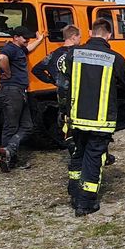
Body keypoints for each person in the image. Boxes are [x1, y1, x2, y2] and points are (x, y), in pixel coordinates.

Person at [63, 18, 125, 216]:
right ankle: (85, 202)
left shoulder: (73, 54)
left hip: (77, 117)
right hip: (101, 120)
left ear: (90, 32)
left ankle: (74, 192)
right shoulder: (115, 58)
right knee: (94, 158)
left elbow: (61, 71)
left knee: (78, 154)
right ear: (109, 35)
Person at [0, 24, 44, 172]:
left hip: (20, 91)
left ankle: (10, 150)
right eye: (25, 38)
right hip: (12, 91)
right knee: (11, 126)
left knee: (27, 126)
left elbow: (28, 49)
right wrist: (7, 72)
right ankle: (8, 159)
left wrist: (40, 39)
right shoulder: (10, 48)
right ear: (16, 38)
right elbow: (1, 57)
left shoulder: (18, 49)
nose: (27, 40)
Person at [32, 24, 82, 157]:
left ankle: (71, 145)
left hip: (62, 94)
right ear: (73, 37)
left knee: (66, 122)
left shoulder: (54, 55)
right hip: (81, 92)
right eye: (79, 37)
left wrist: (52, 80)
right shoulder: (81, 53)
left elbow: (36, 69)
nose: (80, 40)